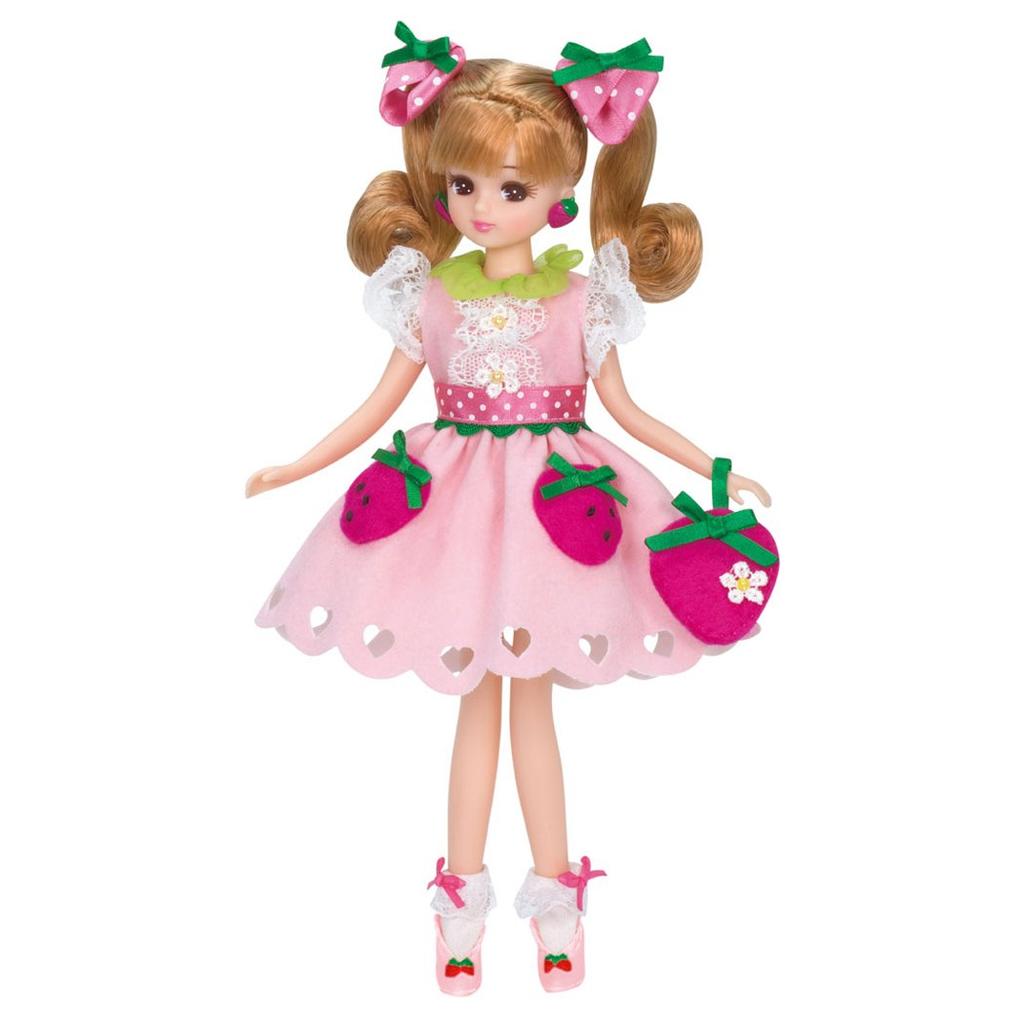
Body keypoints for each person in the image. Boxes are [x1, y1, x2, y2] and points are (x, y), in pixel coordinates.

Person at [246, 27, 772, 995]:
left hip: (559, 512)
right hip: (451, 512)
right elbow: (375, 407)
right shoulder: (425, 297)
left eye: (510, 189)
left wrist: (712, 467)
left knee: (532, 708)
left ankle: (555, 899)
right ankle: (460, 904)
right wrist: (296, 464)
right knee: (474, 707)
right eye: (464, 185)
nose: (481, 207)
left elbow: (625, 411)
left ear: (561, 192)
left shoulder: (584, 300)